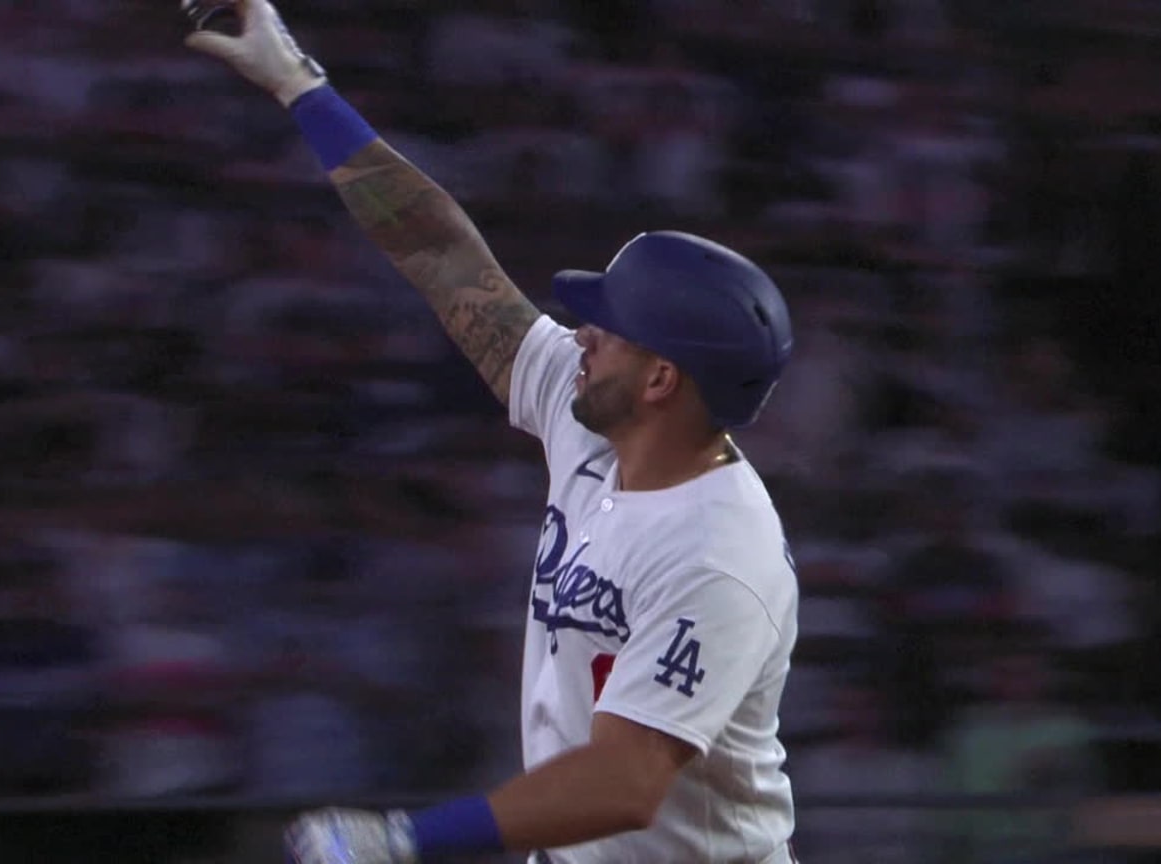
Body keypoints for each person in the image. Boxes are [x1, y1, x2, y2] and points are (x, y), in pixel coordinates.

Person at [181, 2, 800, 862]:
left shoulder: (720, 556)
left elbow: (625, 783)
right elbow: (445, 257)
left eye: (607, 327)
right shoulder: (595, 424)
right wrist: (300, 85)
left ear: (662, 379)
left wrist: (406, 840)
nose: (578, 333)